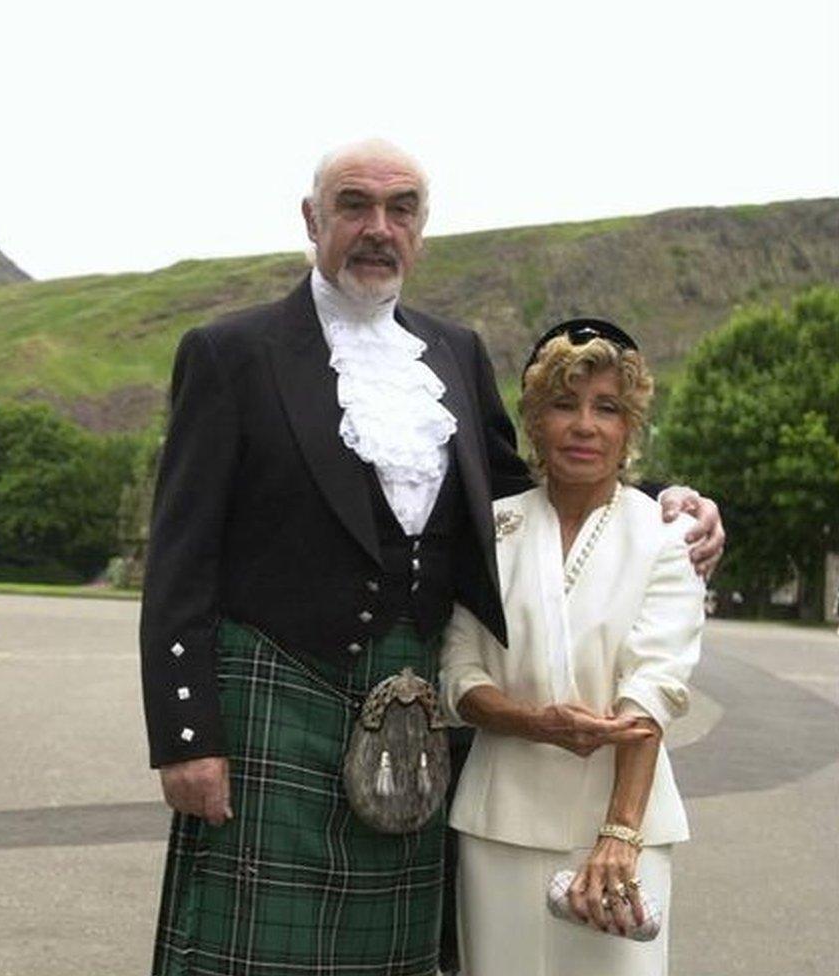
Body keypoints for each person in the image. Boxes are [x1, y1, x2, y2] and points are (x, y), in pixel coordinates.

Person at [139, 141, 723, 976]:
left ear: (422, 228)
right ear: (312, 219)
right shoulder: (231, 354)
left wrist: (669, 500)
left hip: (416, 710)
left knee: (397, 959)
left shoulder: (451, 354)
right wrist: (186, 737)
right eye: (354, 205)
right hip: (273, 703)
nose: (379, 228)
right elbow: (179, 560)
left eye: (401, 208)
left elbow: (526, 484)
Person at [439, 319, 705, 976]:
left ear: (629, 426)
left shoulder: (665, 537)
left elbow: (656, 685)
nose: (584, 425)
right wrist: (534, 722)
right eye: (564, 404)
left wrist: (620, 833)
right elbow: (458, 673)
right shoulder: (492, 531)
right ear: (534, 421)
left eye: (606, 408)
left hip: (626, 829)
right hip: (498, 821)